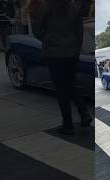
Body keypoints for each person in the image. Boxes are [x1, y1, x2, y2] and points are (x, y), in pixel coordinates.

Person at [32, 0, 92, 135]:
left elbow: (36, 28)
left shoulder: (46, 5)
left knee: (61, 89)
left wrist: (47, 39)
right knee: (71, 83)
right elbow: (79, 31)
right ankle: (84, 114)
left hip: (54, 53)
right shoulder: (73, 6)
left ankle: (68, 124)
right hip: (71, 52)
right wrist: (76, 49)